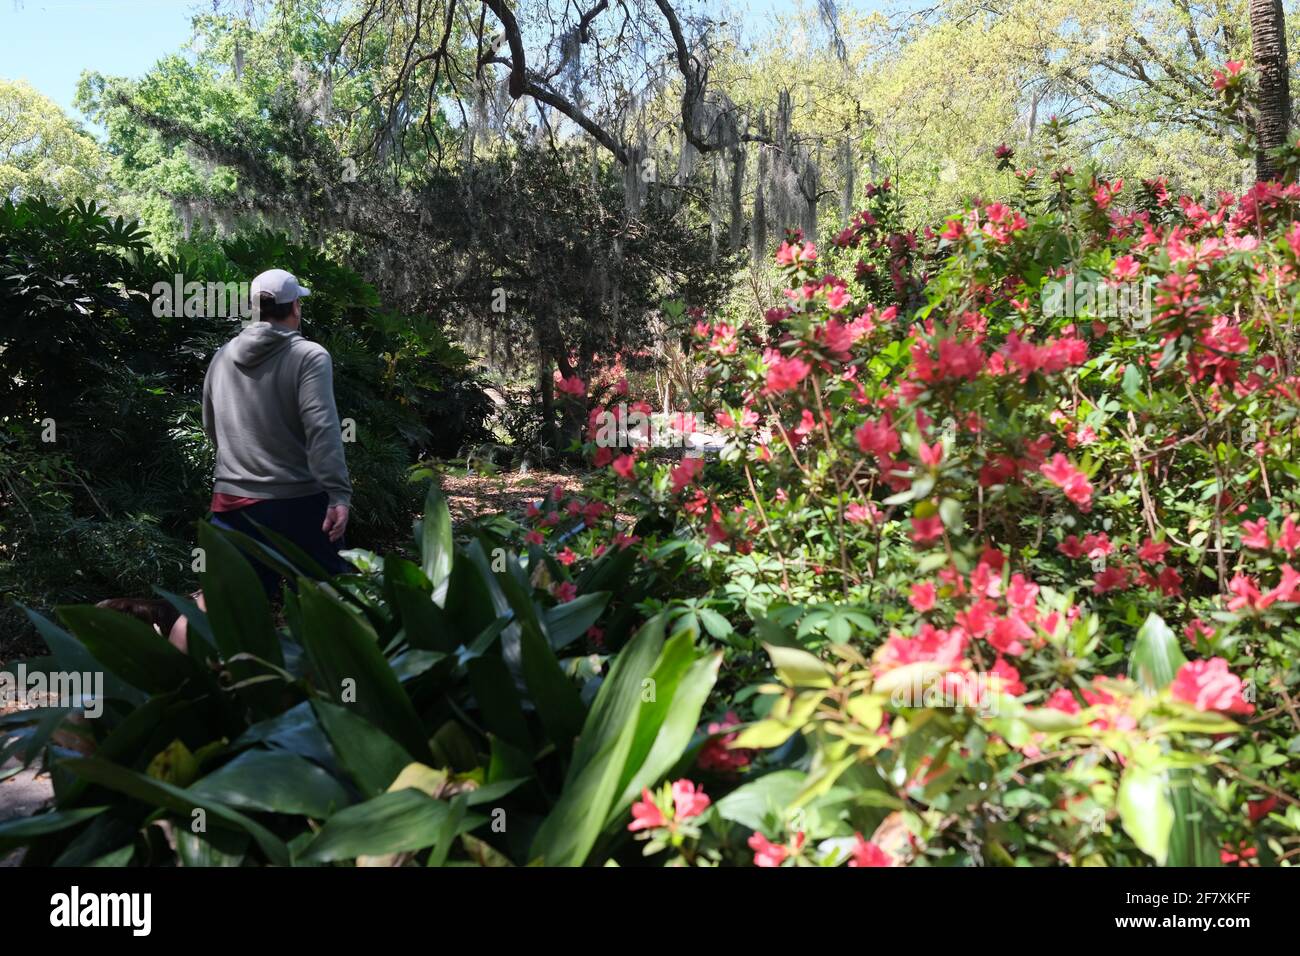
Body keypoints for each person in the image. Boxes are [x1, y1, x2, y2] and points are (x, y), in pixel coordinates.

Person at [169, 269, 352, 651]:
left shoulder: (222, 357)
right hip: (298, 501)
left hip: (232, 500)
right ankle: (338, 693)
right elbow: (322, 428)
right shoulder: (308, 355)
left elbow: (210, 424)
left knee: (218, 600)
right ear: (295, 308)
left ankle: (168, 683)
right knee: (331, 595)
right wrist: (338, 494)